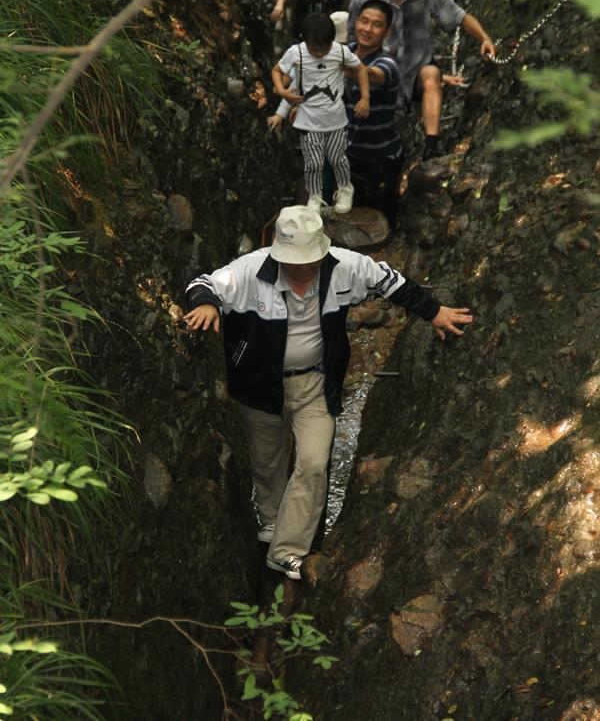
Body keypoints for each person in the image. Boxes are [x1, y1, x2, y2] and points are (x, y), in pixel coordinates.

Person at [183, 205, 474, 580]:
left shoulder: (345, 266)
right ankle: (272, 521)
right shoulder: (250, 271)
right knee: (267, 461)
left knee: (314, 463)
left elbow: (392, 282)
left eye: (311, 259)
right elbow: (203, 284)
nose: (304, 268)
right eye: (295, 261)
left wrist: (434, 312)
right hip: (259, 384)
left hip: (315, 384)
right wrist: (207, 305)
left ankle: (286, 551)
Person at [348, 0, 496, 160]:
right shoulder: (364, 1)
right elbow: (350, 46)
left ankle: (431, 146)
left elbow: (460, 16)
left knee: (431, 75)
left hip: (417, 70)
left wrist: (485, 38)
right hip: (378, 74)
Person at [271, 13, 370, 215]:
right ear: (304, 40)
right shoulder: (296, 53)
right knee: (313, 163)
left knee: (338, 158)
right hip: (308, 121)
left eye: (324, 48)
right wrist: (282, 90)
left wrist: (365, 98)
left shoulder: (339, 52)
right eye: (314, 48)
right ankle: (315, 196)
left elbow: (360, 68)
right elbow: (276, 70)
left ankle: (345, 188)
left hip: (336, 119)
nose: (319, 53)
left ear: (331, 41)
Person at [344, 0, 404, 230]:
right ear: (356, 22)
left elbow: (369, 74)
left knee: (380, 226)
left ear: (386, 32)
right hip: (347, 155)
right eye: (364, 21)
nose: (367, 29)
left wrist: (328, 60)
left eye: (376, 25)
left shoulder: (387, 64)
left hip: (379, 161)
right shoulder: (346, 51)